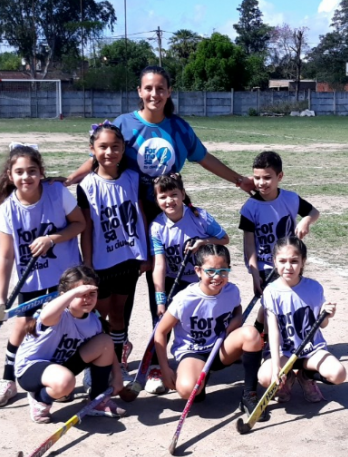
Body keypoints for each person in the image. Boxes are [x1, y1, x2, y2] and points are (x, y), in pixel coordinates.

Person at [64, 66, 256, 368]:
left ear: (169, 92)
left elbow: (203, 157)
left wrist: (238, 179)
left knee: (163, 286)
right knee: (118, 292)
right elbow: (99, 155)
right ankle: (116, 348)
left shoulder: (178, 128)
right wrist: (70, 179)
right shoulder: (125, 124)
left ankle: (156, 359)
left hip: (167, 215)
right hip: (127, 220)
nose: (154, 94)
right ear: (139, 92)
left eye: (160, 88)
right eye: (148, 88)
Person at [0, 144, 86, 407]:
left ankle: (77, 374)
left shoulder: (56, 192)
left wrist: (52, 239)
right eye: (19, 172)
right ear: (10, 176)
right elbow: (6, 257)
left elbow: (80, 223)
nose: (26, 177)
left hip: (65, 280)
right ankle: (8, 380)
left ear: (42, 172)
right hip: (32, 281)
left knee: (72, 324)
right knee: (23, 326)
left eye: (32, 171)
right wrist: (1, 299)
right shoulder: (8, 208)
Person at [153, 244, 270, 421]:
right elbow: (160, 332)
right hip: (194, 352)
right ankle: (199, 377)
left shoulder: (231, 290)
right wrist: (164, 367)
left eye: (223, 271)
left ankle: (249, 395)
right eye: (211, 271)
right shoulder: (184, 299)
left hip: (221, 348)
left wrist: (237, 318)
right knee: (186, 390)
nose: (217, 277)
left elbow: (236, 308)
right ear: (198, 271)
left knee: (251, 334)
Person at [145, 173, 230, 394]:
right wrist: (160, 299)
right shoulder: (156, 227)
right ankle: (156, 367)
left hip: (203, 280)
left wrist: (204, 242)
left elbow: (224, 239)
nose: (169, 201)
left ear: (183, 194)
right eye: (163, 197)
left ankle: (217, 352)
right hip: (176, 279)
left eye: (174, 195)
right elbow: (159, 264)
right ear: (156, 200)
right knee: (162, 322)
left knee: (209, 317)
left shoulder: (200, 216)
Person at [77, 122, 148, 384]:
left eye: (115, 146)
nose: (109, 152)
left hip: (128, 259)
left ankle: (118, 360)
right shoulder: (87, 185)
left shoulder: (133, 178)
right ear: (92, 150)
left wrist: (146, 254)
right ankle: (93, 364)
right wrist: (87, 263)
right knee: (99, 317)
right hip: (101, 263)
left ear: (123, 149)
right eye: (103, 147)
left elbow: (141, 215)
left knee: (119, 314)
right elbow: (86, 228)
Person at [14, 266, 126, 422]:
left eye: (92, 294)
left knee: (105, 341)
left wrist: (117, 376)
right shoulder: (57, 314)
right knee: (65, 382)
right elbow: (47, 316)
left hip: (61, 366)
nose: (87, 299)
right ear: (64, 296)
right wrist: (73, 292)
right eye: (81, 295)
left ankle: (97, 400)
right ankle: (40, 399)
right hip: (31, 368)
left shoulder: (93, 321)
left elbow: (109, 350)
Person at [240, 150, 320, 333]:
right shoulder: (250, 208)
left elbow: (314, 212)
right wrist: (254, 273)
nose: (261, 183)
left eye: (267, 178)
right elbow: (249, 245)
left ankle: (261, 333)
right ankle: (269, 341)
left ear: (280, 176)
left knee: (275, 300)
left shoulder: (291, 198)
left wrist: (306, 220)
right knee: (274, 302)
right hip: (265, 265)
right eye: (257, 178)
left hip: (289, 260)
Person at [258, 237, 346, 403]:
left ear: (303, 262)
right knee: (265, 378)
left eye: (294, 261)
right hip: (283, 352)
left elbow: (323, 325)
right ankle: (288, 376)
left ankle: (305, 376)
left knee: (338, 374)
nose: (288, 266)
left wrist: (327, 315)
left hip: (311, 350)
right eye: (282, 261)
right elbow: (273, 330)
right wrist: (277, 366)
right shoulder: (271, 291)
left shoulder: (314, 287)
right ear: (274, 262)